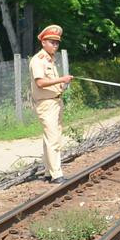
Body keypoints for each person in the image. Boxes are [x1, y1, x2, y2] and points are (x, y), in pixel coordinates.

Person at [30, 24, 73, 184]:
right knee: (53, 138)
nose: (55, 45)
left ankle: (49, 172)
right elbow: (40, 82)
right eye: (51, 42)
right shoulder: (38, 60)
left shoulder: (50, 60)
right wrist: (62, 79)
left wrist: (62, 85)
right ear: (43, 43)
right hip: (46, 104)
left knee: (52, 138)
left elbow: (50, 83)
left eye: (57, 42)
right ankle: (57, 175)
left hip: (55, 102)